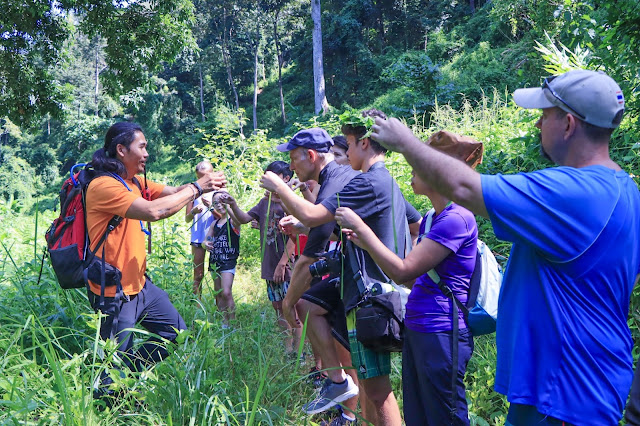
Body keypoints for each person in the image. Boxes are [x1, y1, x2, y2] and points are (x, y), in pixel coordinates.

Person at [367, 69, 640, 425]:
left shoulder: (572, 192)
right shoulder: (626, 190)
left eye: (545, 115)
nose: (539, 125)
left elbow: (465, 190)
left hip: (562, 392)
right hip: (578, 382)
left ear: (569, 124)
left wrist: (405, 142)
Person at [261, 110, 420, 426]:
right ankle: (338, 385)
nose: (345, 153)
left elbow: (312, 216)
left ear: (363, 143)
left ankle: (341, 393)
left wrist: (279, 188)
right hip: (374, 290)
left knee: (377, 390)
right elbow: (414, 225)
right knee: (370, 383)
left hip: (370, 297)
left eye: (347, 144)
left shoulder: (367, 182)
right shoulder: (384, 182)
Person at [334, 130, 484, 425]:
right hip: (419, 327)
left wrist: (362, 229)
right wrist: (366, 244)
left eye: (419, 165)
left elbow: (403, 270)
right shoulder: (430, 219)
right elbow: (412, 278)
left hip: (442, 331)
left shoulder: (456, 220)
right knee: (419, 414)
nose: (412, 172)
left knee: (445, 416)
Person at [85, 122, 225, 399]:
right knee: (112, 364)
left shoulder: (134, 181)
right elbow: (153, 212)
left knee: (176, 334)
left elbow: (173, 193)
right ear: (121, 150)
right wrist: (197, 187)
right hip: (114, 292)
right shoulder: (103, 186)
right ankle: (110, 402)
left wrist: (204, 189)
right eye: (142, 146)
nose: (147, 152)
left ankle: (128, 374)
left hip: (141, 286)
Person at [263, 127, 362, 422]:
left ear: (310, 155)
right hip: (353, 275)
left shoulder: (335, 183)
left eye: (294, 159)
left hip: (365, 282)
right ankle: (341, 393)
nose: (291, 167)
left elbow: (308, 259)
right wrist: (305, 227)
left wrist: (287, 303)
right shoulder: (337, 181)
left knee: (358, 360)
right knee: (318, 314)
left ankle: (347, 403)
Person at [221, 161, 301, 353]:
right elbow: (243, 219)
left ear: (285, 179)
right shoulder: (264, 202)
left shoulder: (290, 202)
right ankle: (287, 348)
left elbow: (296, 236)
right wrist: (232, 204)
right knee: (278, 307)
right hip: (269, 264)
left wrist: (283, 263)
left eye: (272, 177)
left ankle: (300, 353)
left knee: (293, 308)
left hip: (287, 265)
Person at [204, 190, 241, 327]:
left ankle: (232, 321)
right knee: (218, 292)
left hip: (228, 261)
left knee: (226, 292)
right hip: (215, 260)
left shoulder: (233, 221)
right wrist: (205, 243)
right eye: (215, 203)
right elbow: (206, 239)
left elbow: (238, 221)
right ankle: (223, 321)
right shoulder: (215, 223)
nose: (219, 205)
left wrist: (230, 207)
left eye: (222, 202)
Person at [185, 161, 217, 296]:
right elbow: (187, 218)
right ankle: (197, 305)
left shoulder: (219, 191)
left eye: (206, 176)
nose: (204, 180)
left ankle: (220, 304)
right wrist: (193, 212)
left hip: (216, 237)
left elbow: (226, 217)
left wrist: (211, 207)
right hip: (198, 237)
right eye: (200, 177)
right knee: (198, 274)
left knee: (218, 274)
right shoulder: (193, 192)